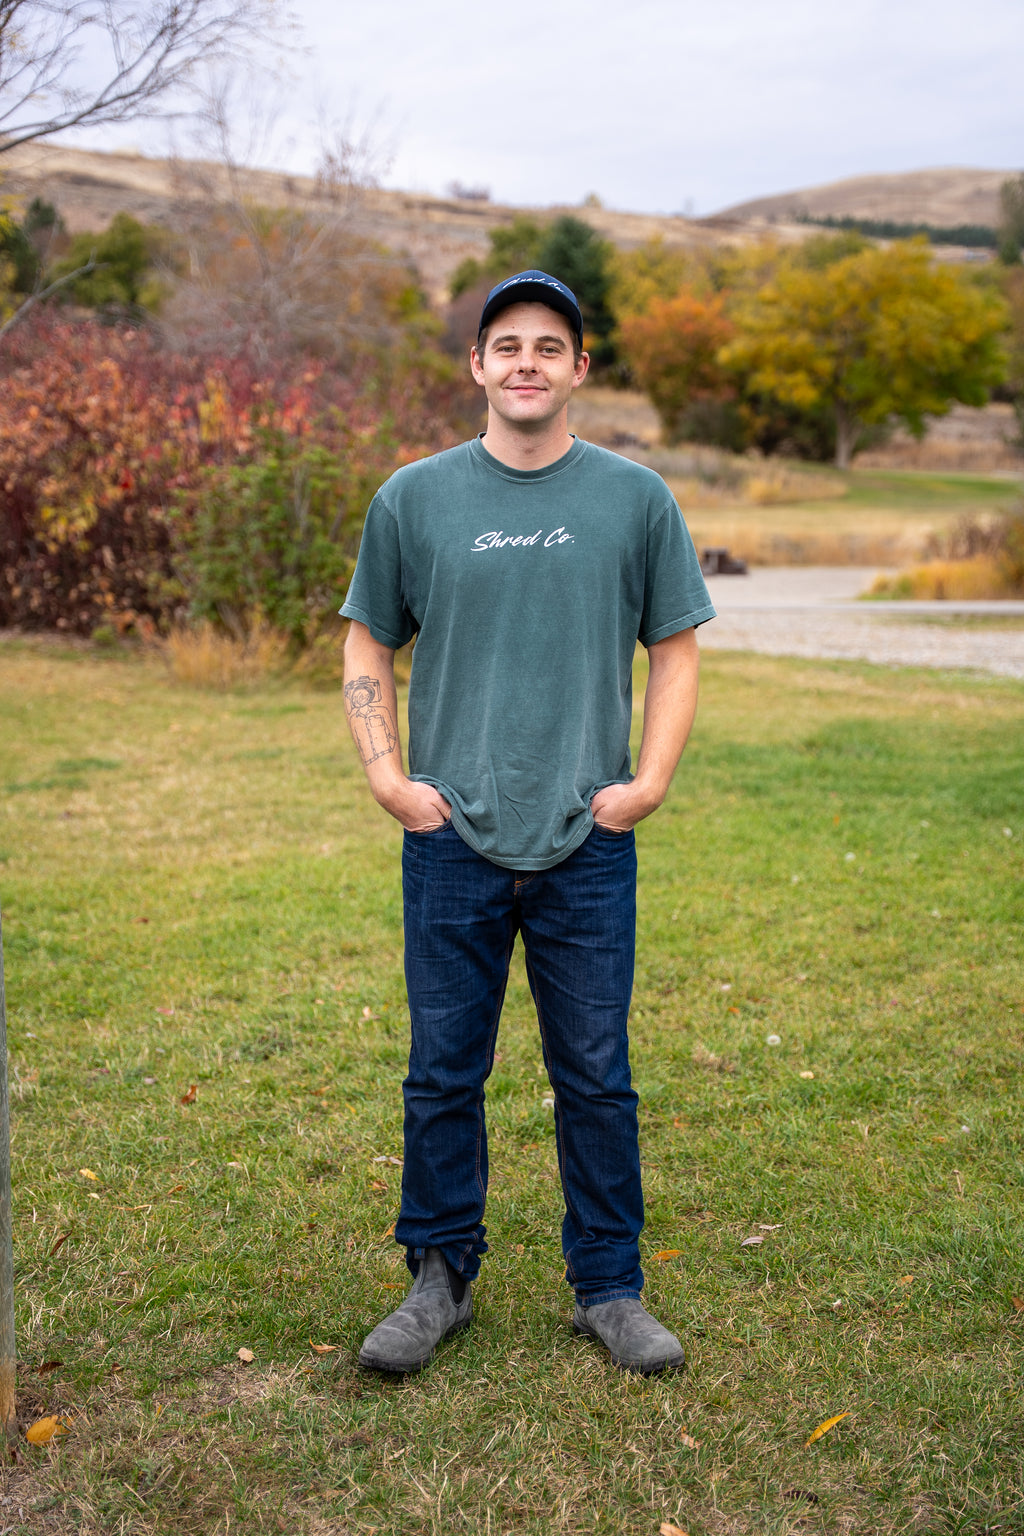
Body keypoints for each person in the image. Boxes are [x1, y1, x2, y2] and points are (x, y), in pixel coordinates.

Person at [341, 269, 715, 1376]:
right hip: (449, 834)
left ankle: (609, 1287)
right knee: (441, 1072)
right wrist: (387, 777)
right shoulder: (414, 497)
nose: (526, 363)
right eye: (506, 344)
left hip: (586, 839)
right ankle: (438, 1278)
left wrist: (647, 784)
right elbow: (368, 638)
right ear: (477, 364)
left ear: (579, 369)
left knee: (595, 1074)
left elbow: (675, 648)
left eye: (549, 346)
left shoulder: (635, 499)